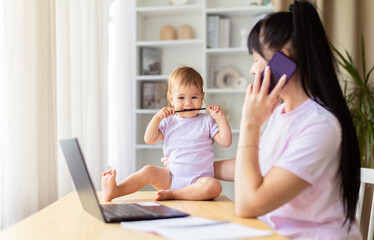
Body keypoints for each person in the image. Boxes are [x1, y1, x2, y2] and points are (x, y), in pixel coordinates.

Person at [161, 1, 362, 239]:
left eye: (256, 59)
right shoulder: (280, 113)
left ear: (282, 62)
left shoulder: (320, 126)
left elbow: (248, 204)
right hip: (269, 232)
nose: (252, 69)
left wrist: (250, 124)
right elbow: (257, 165)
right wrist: (189, 165)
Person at [102, 66, 232, 202]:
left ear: (202, 97)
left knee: (214, 186)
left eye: (194, 97)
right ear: (171, 99)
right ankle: (116, 190)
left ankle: (174, 194)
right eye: (181, 98)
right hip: (172, 178)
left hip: (200, 182)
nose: (188, 103)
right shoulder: (169, 121)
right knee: (148, 170)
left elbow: (225, 141)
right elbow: (149, 139)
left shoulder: (206, 121)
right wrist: (157, 118)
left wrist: (220, 118)